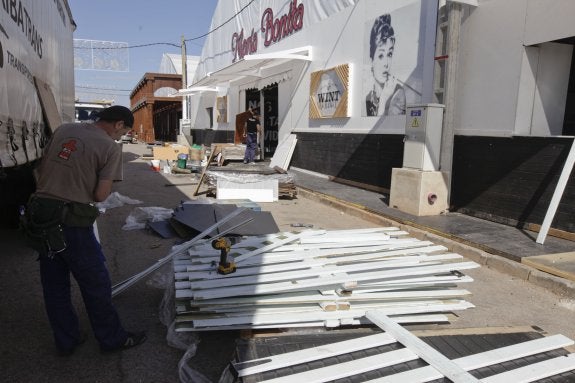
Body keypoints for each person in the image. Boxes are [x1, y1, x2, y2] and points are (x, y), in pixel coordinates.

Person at [25, 105, 146, 356]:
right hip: (71, 222)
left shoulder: (64, 129)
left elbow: (41, 168)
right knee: (96, 284)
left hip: (41, 215)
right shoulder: (110, 148)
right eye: (122, 132)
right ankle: (111, 339)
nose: (119, 137)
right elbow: (100, 195)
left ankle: (66, 340)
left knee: (55, 284)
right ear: (119, 125)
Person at [365, 14, 406, 116]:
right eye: (380, 56)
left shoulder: (398, 93)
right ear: (372, 60)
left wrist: (383, 100)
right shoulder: (369, 97)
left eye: (389, 54)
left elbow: (382, 128)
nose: (386, 63)